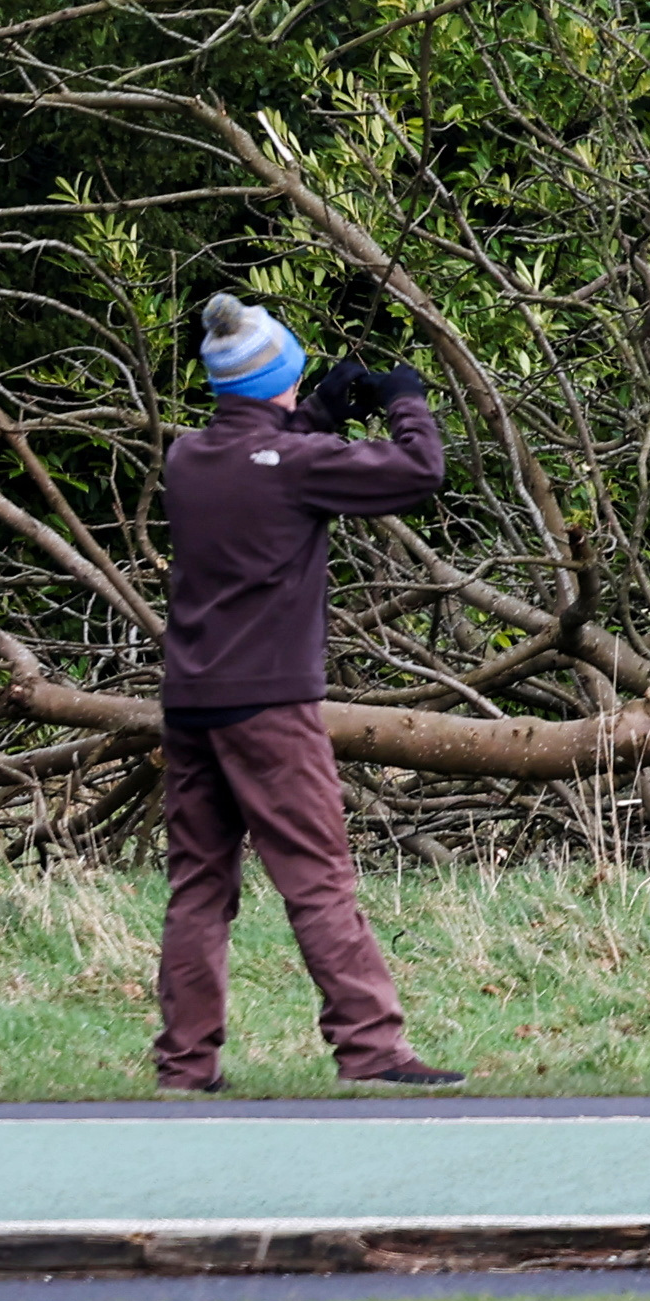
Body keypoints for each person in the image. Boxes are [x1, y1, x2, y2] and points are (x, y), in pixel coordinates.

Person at [157, 289, 467, 1094]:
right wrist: (404, 399)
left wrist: (318, 411)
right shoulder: (299, 465)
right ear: (281, 380)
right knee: (318, 878)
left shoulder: (186, 457)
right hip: (270, 705)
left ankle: (186, 1064)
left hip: (190, 700)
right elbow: (420, 470)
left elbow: (256, 454)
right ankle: (371, 1045)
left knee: (199, 887)